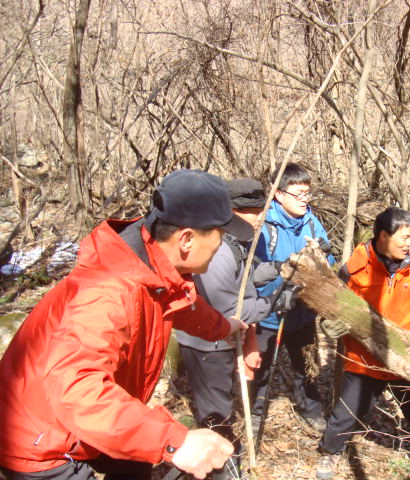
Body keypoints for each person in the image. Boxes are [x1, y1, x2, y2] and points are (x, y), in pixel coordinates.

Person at [0, 170, 252, 480]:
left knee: (137, 460)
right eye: (219, 234)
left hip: (97, 412)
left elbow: (181, 306)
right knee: (149, 443)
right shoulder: (107, 291)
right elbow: (77, 389)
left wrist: (223, 327)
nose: (220, 244)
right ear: (186, 239)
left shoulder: (151, 264)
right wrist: (174, 441)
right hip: (40, 437)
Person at [315, 207, 410, 480]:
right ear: (383, 237)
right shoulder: (356, 268)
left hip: (403, 353)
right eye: (404, 237)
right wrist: (330, 324)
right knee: (348, 412)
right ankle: (330, 451)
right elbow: (333, 306)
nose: (409, 243)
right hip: (365, 355)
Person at [174, 179, 298, 480]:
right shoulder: (216, 250)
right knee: (216, 410)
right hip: (207, 344)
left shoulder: (233, 241)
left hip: (224, 338)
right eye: (253, 211)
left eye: (261, 210)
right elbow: (230, 310)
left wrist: (278, 269)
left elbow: (246, 275)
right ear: (232, 212)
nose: (260, 218)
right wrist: (274, 302)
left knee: (222, 402)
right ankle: (222, 468)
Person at [252, 163, 335, 431]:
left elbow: (328, 263)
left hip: (302, 312)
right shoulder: (264, 225)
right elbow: (254, 273)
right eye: (298, 194)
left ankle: (310, 408)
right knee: (261, 368)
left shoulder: (311, 222)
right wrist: (281, 288)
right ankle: (255, 412)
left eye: (307, 193)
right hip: (269, 314)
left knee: (307, 365)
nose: (304, 200)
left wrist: (324, 258)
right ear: (279, 194)